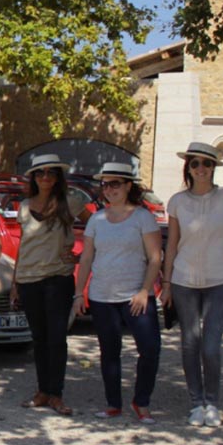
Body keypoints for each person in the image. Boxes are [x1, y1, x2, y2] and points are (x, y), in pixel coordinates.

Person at [161, 141, 223, 428]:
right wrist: (166, 283)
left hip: (219, 279)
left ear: (214, 168)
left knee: (211, 346)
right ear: (188, 168)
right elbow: (172, 246)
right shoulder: (178, 202)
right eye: (195, 163)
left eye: (207, 164)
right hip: (184, 280)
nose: (201, 169)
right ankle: (196, 403)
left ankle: (213, 403)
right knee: (189, 343)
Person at [72, 162, 163, 423]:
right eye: (105, 184)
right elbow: (87, 258)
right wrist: (79, 294)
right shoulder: (97, 219)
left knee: (150, 348)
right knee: (109, 351)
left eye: (115, 184)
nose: (109, 189)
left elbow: (155, 258)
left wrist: (145, 291)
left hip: (136, 295)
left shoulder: (143, 217)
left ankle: (141, 402)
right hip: (102, 296)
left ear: (128, 186)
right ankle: (113, 403)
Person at [11, 154, 77, 416]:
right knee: (39, 339)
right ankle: (42, 391)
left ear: (58, 177)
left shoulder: (71, 202)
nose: (46, 177)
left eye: (51, 172)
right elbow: (22, 246)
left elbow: (97, 228)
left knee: (57, 338)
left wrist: (79, 255)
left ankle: (56, 394)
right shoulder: (25, 206)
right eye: (40, 173)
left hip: (58, 278)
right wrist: (15, 282)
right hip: (28, 279)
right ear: (34, 178)